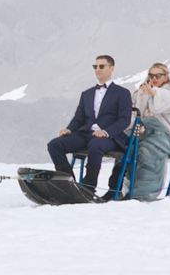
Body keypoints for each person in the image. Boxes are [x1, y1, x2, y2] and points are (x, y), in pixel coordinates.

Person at [47, 55, 133, 198]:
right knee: (54, 145)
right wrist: (68, 129)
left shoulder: (122, 93)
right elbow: (78, 118)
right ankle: (69, 184)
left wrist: (105, 132)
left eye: (101, 66)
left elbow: (124, 120)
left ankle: (88, 188)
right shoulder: (86, 94)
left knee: (96, 145)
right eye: (95, 66)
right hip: (85, 134)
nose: (97, 69)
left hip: (109, 137)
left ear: (111, 68)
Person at [128, 61, 170, 202]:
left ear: (166, 77)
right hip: (144, 130)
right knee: (124, 143)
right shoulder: (142, 90)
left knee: (147, 150)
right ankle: (122, 187)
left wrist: (154, 93)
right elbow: (135, 112)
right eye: (151, 75)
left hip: (167, 133)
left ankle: (143, 192)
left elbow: (169, 101)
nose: (154, 78)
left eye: (158, 75)